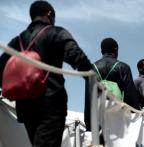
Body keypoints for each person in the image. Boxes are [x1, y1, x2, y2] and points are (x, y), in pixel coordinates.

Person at [0, 1, 93, 146]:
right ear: (49, 14)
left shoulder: (17, 41)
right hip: (51, 103)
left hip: (25, 106)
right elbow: (78, 58)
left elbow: (1, 70)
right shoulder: (56, 32)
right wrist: (94, 80)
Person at [84, 37, 140, 131]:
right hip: (119, 119)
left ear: (101, 51)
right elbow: (130, 95)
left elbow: (88, 98)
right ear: (116, 50)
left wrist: (89, 125)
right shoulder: (123, 67)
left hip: (98, 119)